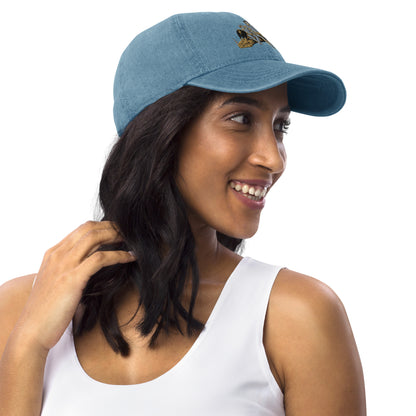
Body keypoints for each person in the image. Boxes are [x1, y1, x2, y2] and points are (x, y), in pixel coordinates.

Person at [0, 11, 366, 415]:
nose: (273, 159)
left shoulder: (296, 316)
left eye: (281, 126)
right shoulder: (21, 310)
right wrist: (28, 345)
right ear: (162, 132)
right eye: (241, 119)